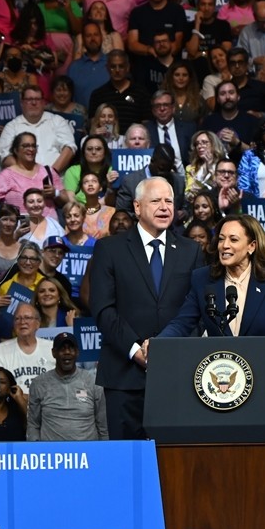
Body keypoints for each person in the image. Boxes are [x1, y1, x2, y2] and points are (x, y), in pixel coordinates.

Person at [90, 177, 203, 439]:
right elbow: (103, 308)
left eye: (169, 201)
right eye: (156, 201)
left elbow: (196, 311)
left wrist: (169, 350)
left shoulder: (191, 251)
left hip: (178, 374)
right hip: (124, 374)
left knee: (175, 456)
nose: (164, 207)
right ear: (137, 207)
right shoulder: (109, 249)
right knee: (127, 458)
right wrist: (135, 350)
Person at [153, 214, 265, 342]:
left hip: (261, 363)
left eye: (233, 239)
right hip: (220, 365)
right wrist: (158, 342)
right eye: (221, 239)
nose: (224, 245)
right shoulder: (202, 278)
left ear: (251, 246)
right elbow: (182, 323)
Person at [26, 332, 108, 441]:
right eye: (62, 349)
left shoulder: (93, 382)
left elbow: (103, 426)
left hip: (87, 450)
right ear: (54, 353)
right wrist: (36, 448)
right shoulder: (39, 383)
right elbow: (33, 425)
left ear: (77, 352)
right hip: (52, 450)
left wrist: (104, 449)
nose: (67, 352)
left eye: (71, 348)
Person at [0, 304, 55, 395]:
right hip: (12, 403)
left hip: (49, 402)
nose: (22, 322)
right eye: (18, 319)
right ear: (13, 324)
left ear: (38, 323)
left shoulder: (52, 348)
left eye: (27, 318)